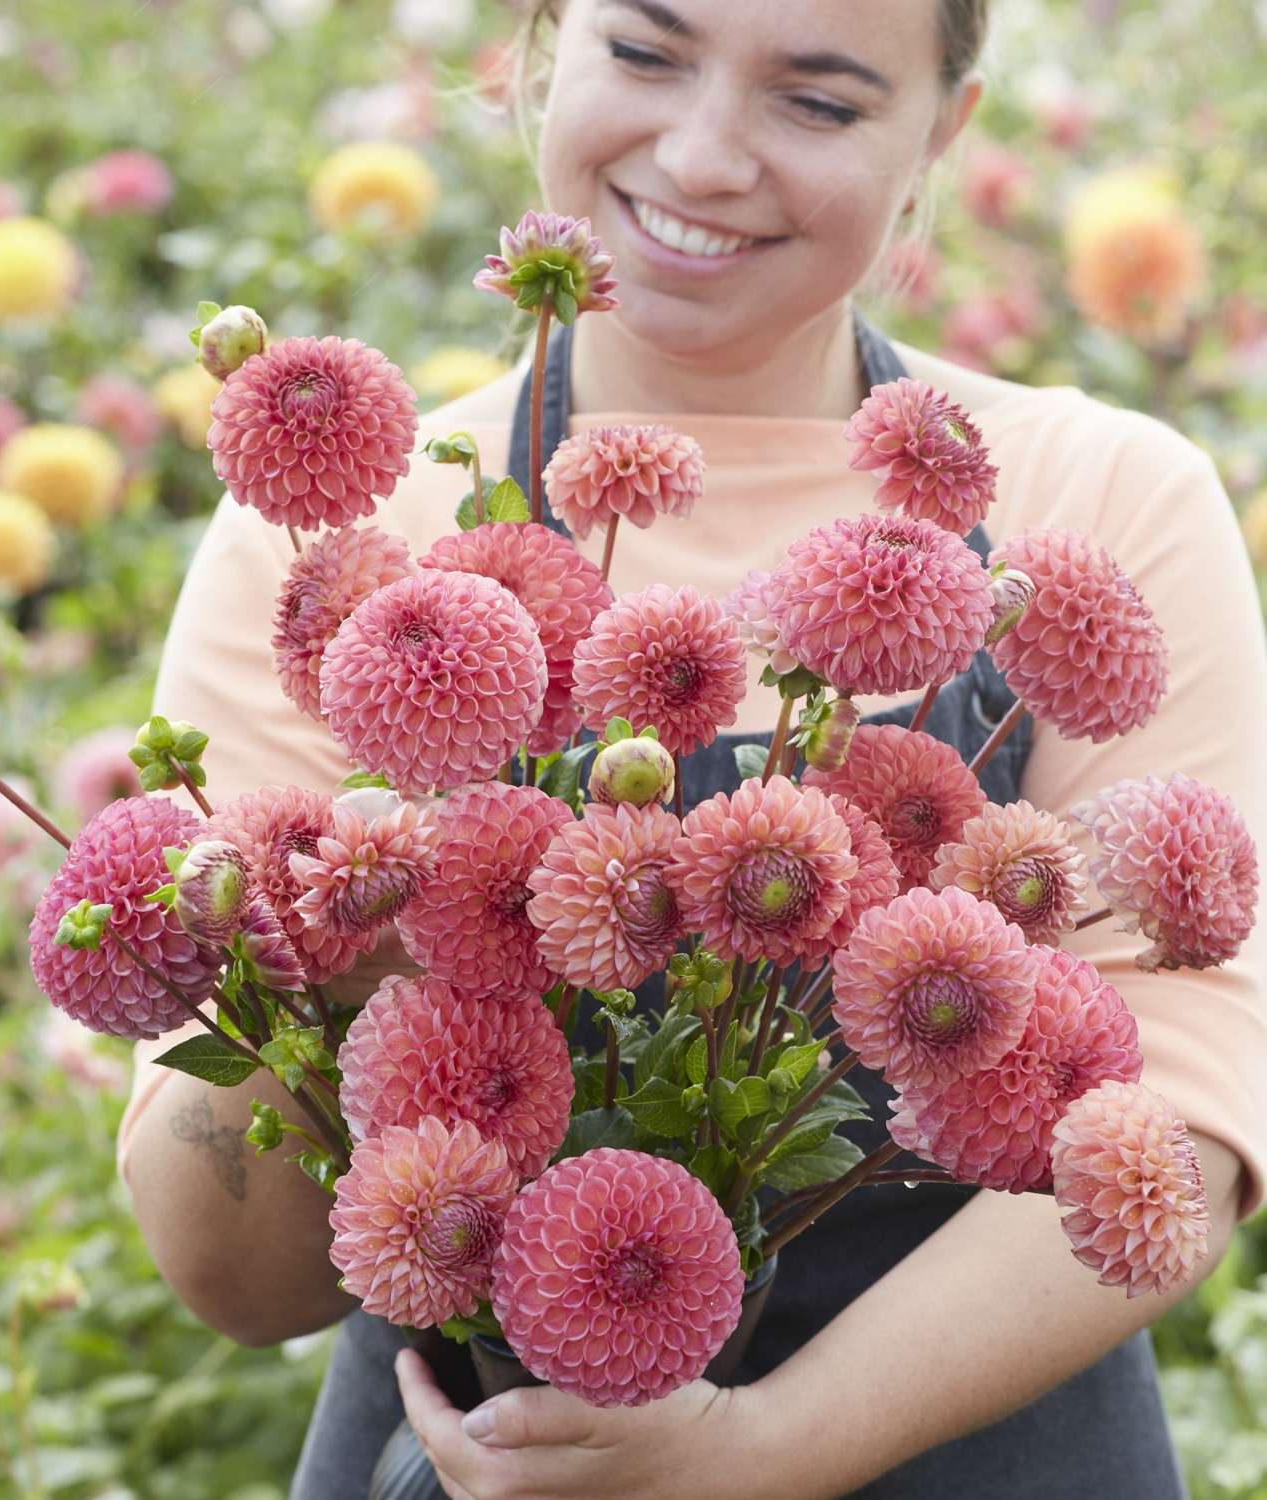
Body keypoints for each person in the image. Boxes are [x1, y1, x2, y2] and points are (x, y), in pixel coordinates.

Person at [117, 2, 1267, 1496]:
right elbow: (242, 1281)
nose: (705, 155)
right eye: (647, 55)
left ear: (945, 131)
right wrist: (330, 943)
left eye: (821, 101)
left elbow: (1178, 1123)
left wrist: (763, 1450)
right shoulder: (347, 548)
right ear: (545, 45)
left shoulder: (1098, 506)